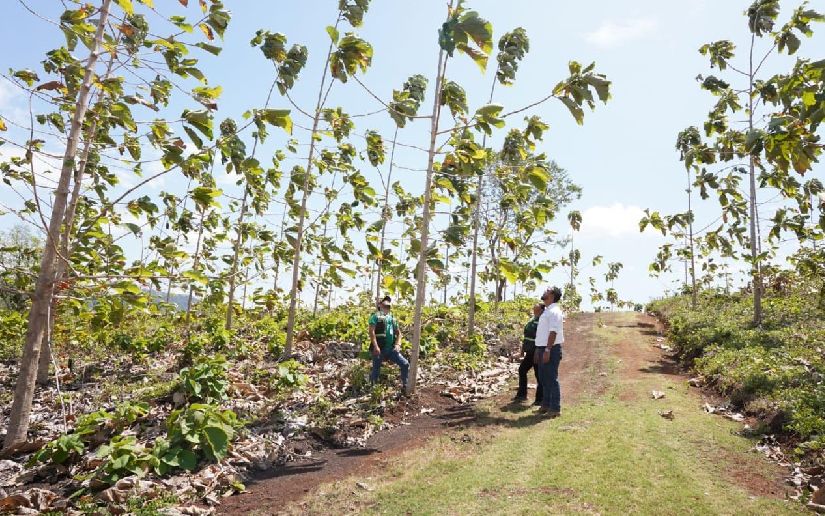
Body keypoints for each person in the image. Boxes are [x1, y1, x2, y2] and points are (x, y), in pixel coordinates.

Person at [534, 286, 565, 417]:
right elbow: (542, 332)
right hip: (542, 348)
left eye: (547, 291)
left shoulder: (555, 311)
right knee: (544, 378)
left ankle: (555, 408)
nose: (544, 292)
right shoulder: (547, 311)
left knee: (551, 378)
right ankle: (546, 405)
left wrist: (547, 349)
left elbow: (553, 332)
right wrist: (538, 349)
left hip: (550, 349)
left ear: (552, 295)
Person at [368, 295, 409, 389]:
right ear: (380, 305)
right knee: (376, 369)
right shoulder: (375, 317)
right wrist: (376, 346)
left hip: (391, 349)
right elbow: (371, 332)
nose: (387, 307)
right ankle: (373, 388)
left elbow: (399, 333)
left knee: (405, 364)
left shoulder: (392, 319)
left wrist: (398, 344)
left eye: (388, 306)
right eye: (385, 305)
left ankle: (405, 385)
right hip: (379, 349)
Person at [514, 303, 544, 404]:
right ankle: (522, 395)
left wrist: (537, 350)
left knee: (538, 374)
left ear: (542, 310)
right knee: (523, 370)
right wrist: (522, 351)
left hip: (536, 351)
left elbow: (540, 337)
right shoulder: (533, 319)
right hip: (530, 351)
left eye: (536, 310)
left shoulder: (542, 321)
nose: (534, 311)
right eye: (534, 309)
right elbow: (526, 336)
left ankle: (539, 399)